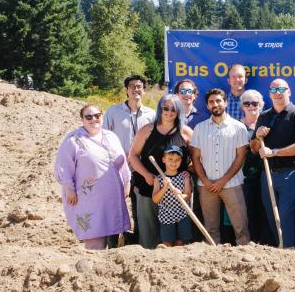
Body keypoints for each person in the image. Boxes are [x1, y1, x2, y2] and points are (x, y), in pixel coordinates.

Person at [55, 104, 131, 250]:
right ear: (82, 119)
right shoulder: (73, 140)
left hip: (111, 193)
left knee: (112, 229)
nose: (93, 119)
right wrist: (69, 188)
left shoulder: (111, 136)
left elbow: (122, 162)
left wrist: (127, 181)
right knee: (95, 233)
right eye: (88, 117)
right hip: (88, 196)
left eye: (97, 115)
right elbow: (64, 166)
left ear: (102, 116)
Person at [250, 79, 295, 248]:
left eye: (281, 89)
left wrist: (275, 152)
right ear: (269, 93)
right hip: (268, 174)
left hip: (291, 173)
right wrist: (258, 136)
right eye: (274, 89)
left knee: (285, 216)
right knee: (272, 216)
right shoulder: (264, 116)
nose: (278, 93)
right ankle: (281, 249)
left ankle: (289, 250)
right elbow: (254, 149)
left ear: (289, 92)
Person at [128, 94, 193, 249]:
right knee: (150, 232)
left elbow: (195, 160)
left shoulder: (186, 132)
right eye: (166, 108)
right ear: (160, 109)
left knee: (176, 236)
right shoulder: (147, 130)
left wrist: (188, 173)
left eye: (173, 109)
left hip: (176, 193)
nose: (169, 112)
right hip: (149, 188)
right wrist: (146, 175)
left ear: (179, 111)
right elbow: (133, 156)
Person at [190, 89, 251, 246]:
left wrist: (223, 181)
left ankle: (245, 260)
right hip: (206, 186)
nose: (215, 104)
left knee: (241, 227)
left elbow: (241, 157)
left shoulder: (239, 128)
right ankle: (213, 261)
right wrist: (205, 180)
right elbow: (195, 158)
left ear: (225, 102)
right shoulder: (199, 128)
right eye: (211, 102)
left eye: (218, 101)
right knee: (210, 229)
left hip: (232, 184)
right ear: (207, 105)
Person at [102, 74, 154, 245]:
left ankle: (137, 241)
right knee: (115, 208)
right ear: (126, 90)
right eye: (132, 86)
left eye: (139, 86)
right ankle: (112, 243)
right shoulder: (113, 112)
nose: (136, 89)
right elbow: (104, 137)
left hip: (141, 169)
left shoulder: (151, 115)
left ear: (144, 91)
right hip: (117, 170)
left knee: (139, 208)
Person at [239, 89, 266, 244]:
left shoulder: (267, 123)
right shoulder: (237, 126)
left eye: (254, 103)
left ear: (260, 105)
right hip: (246, 177)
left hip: (265, 174)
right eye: (247, 103)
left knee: (265, 212)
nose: (251, 106)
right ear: (243, 106)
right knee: (249, 213)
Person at [152, 145, 193, 247]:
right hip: (166, 216)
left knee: (180, 242)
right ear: (163, 160)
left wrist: (180, 194)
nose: (174, 163)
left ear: (181, 161)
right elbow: (155, 199)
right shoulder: (159, 179)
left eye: (177, 160)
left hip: (182, 214)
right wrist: (165, 187)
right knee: (167, 243)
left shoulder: (184, 177)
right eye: (170, 159)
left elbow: (187, 196)